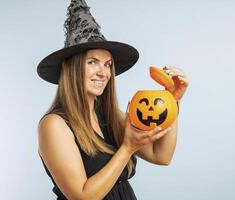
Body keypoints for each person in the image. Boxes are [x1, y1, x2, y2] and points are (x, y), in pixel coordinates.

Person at [37, 1, 189, 200]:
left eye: (108, 65)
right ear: (72, 69)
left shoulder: (110, 115)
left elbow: (161, 156)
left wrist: (173, 99)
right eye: (92, 62)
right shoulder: (54, 125)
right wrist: (127, 148)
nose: (103, 73)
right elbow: (82, 197)